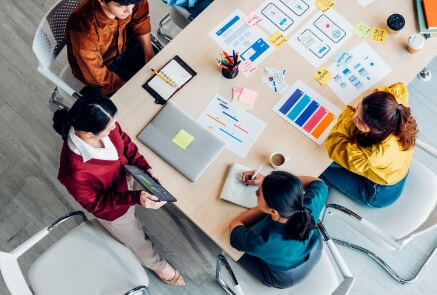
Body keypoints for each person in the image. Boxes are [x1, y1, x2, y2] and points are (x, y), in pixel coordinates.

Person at [53, 93, 184, 286]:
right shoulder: (73, 171)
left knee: (136, 221)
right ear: (89, 134)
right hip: (114, 210)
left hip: (126, 179)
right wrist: (135, 198)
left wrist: (144, 166)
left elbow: (125, 142)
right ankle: (159, 266)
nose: (114, 127)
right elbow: (96, 204)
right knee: (137, 240)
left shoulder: (106, 124)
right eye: (109, 128)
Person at [320, 82, 418, 208]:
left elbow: (335, 145)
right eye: (360, 104)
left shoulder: (374, 154)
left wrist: (347, 117)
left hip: (377, 192)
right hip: (393, 172)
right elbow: (400, 88)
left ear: (377, 130)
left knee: (319, 166)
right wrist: (372, 103)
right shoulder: (394, 108)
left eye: (360, 121)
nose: (355, 116)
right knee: (334, 161)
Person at [229, 170, 328, 288]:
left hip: (284, 278)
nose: (256, 192)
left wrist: (261, 209)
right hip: (313, 251)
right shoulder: (309, 206)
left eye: (259, 194)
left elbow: (235, 224)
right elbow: (319, 183)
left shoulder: (259, 241)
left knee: (232, 250)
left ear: (273, 211)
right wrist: (275, 186)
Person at [66, 0, 155, 96]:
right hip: (104, 70)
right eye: (121, 6)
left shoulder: (130, 2)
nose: (129, 11)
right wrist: (127, 89)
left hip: (125, 45)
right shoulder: (84, 28)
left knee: (163, 71)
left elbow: (140, 20)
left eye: (132, 4)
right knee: (142, 97)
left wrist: (149, 54)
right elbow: (95, 73)